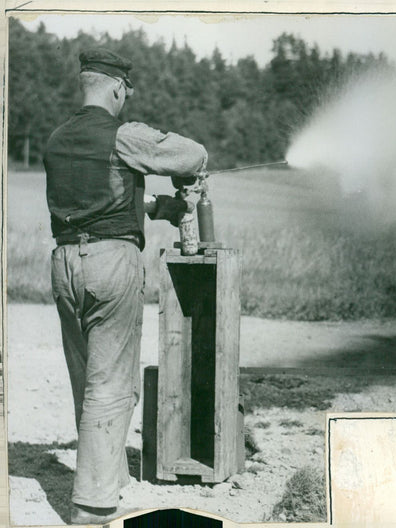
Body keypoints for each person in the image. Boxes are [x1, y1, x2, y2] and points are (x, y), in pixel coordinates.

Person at [44, 47, 208, 524]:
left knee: (87, 381)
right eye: (126, 92)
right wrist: (187, 182)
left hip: (64, 262)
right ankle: (93, 507)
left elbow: (97, 196)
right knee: (111, 384)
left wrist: (157, 209)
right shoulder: (124, 135)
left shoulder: (57, 139)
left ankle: (109, 478)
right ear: (118, 87)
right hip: (112, 265)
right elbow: (192, 154)